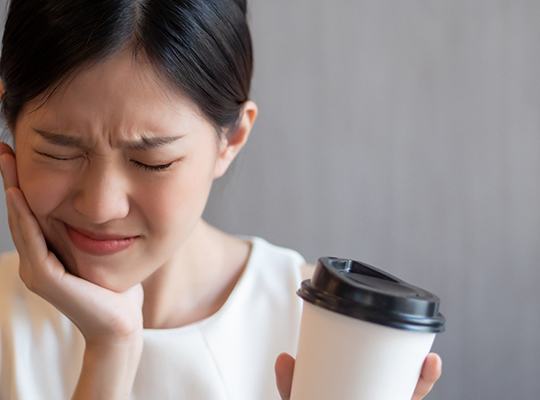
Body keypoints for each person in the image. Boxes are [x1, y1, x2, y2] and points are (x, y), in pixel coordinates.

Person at [0, 0, 442, 399]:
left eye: (152, 161)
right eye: (60, 151)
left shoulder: (321, 328)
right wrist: (110, 348)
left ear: (231, 139)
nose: (100, 205)